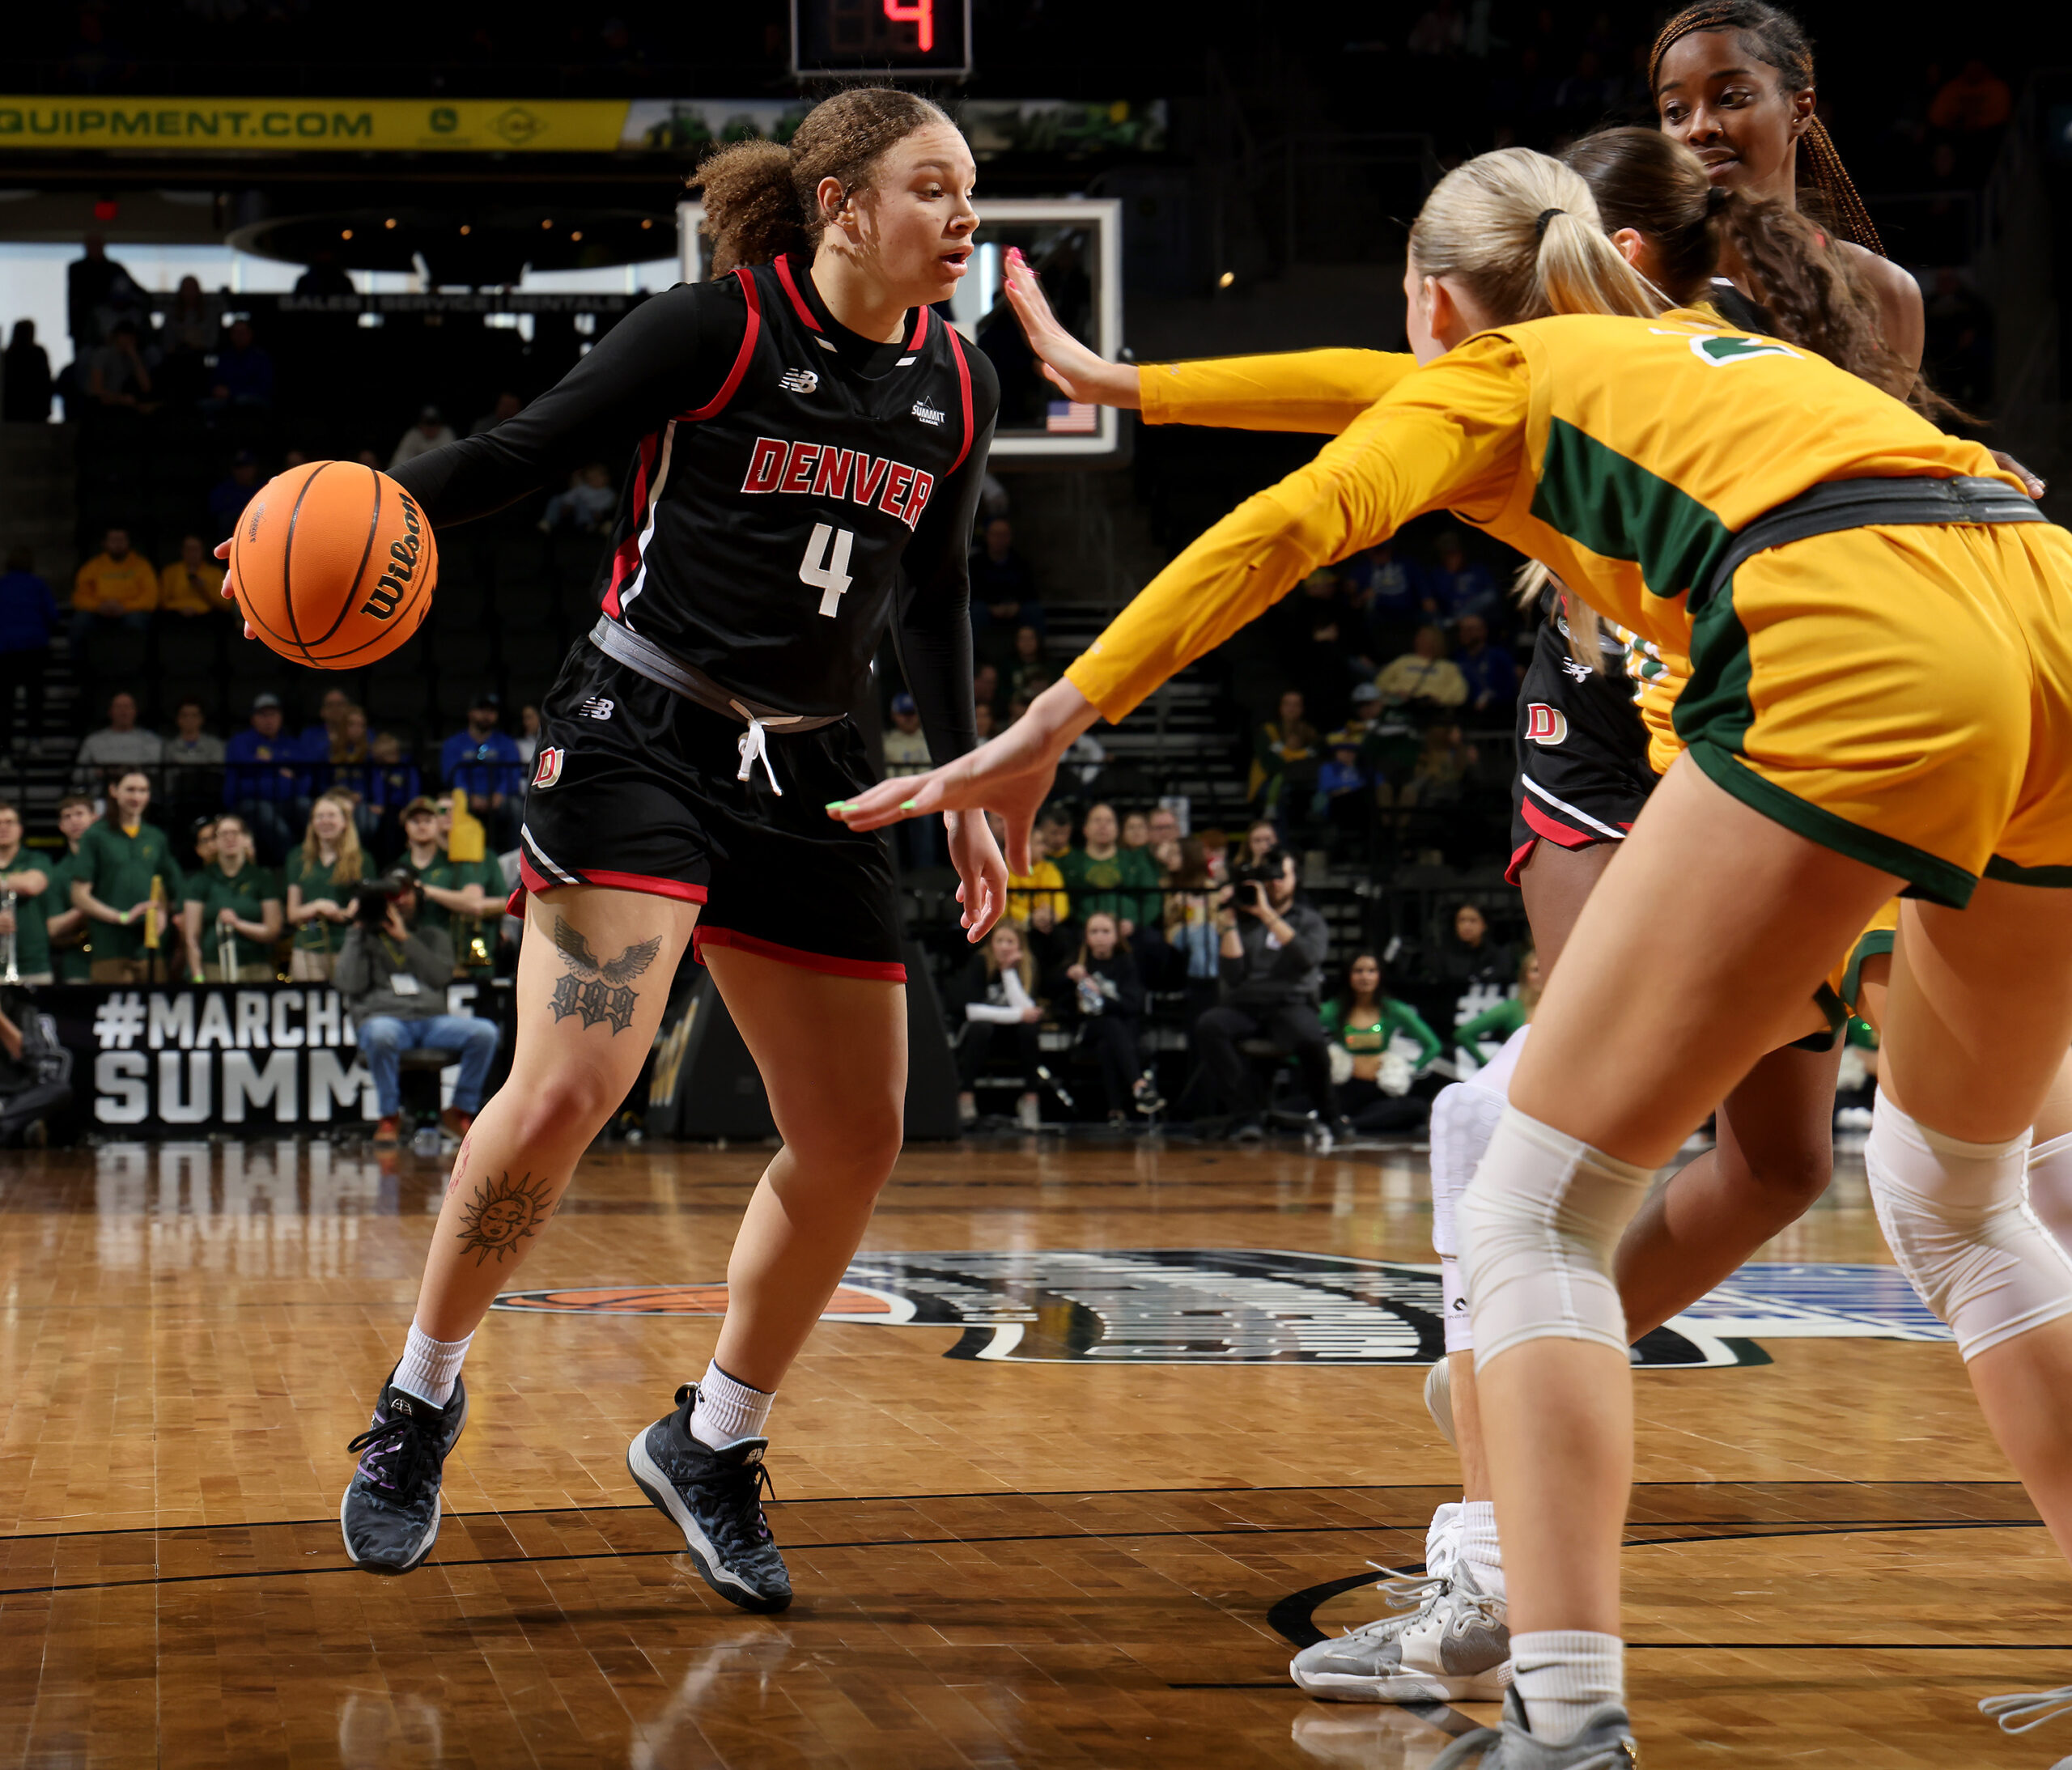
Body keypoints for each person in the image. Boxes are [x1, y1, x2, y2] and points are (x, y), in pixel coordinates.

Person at [843, 144, 2072, 1765]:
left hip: (1861, 645)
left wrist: (1043, 725)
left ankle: (1560, 1714)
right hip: (2040, 604)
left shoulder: (1489, 377)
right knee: (1957, 1194)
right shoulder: (1668, 348)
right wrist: (1114, 376)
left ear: (1433, 300)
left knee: (1534, 1199)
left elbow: (1283, 523)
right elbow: (1335, 389)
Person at [332, 88, 1003, 1622]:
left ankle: (712, 1442)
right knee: (573, 1081)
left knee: (856, 1140)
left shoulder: (956, 386)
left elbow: (941, 590)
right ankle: (423, 1396)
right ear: (843, 206)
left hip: (821, 770)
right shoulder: (716, 328)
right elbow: (521, 450)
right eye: (935, 188)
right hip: (643, 729)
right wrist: (358, 504)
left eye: (973, 191)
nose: (967, 217)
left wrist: (965, 778)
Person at [336, 872, 497, 1147]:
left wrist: (405, 939)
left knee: (485, 1033)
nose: (398, 902)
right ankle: (389, 1115)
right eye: (390, 896)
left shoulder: (434, 936)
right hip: (387, 1021)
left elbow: (440, 976)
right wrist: (357, 929)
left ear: (417, 896)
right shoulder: (363, 937)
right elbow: (347, 983)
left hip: (431, 1022)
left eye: (405, 893)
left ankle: (459, 1109)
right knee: (379, 1034)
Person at [1191, 847, 1338, 1140]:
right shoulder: (1244, 919)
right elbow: (1232, 975)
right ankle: (1246, 1115)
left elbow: (1306, 958)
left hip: (1291, 1002)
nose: (1276, 883)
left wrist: (1267, 914)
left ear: (1295, 878)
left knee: (1311, 1039)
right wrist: (1229, 923)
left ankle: (1330, 1115)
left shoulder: (1308, 920)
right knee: (1209, 1026)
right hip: (1245, 1004)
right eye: (1269, 877)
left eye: (1282, 876)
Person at [70, 770, 180, 984]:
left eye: (143, 790)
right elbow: (79, 895)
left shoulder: (156, 837)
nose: (137, 797)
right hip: (110, 946)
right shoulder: (96, 835)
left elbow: (165, 885)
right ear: (114, 791)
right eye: (130, 789)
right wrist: (120, 917)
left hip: (149, 946)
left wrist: (162, 914)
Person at [1322, 953, 1445, 1135]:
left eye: (1371, 971)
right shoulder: (1333, 1010)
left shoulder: (1393, 1010)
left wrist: (1410, 1069)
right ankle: (1342, 1120)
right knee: (1301, 1105)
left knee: (1416, 1108)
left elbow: (1433, 1046)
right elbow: (1304, 1041)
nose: (1365, 977)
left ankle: (1350, 1123)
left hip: (1380, 1089)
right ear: (1348, 975)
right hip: (1346, 1088)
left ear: (1379, 975)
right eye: (1358, 971)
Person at [952, 919, 1044, 1130]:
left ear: (1020, 945)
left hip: (1014, 1037)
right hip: (984, 1036)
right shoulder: (980, 962)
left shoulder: (1028, 965)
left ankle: (1030, 1100)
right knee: (981, 1027)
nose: (1004, 946)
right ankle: (966, 1096)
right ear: (991, 943)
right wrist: (1019, 1014)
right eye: (999, 941)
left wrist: (1008, 972)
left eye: (1010, 941)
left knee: (1029, 1030)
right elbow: (972, 1011)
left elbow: (1027, 1011)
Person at [1054, 910, 1144, 1124]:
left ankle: (1115, 1111)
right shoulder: (1078, 962)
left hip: (1120, 1033)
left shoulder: (1126, 963)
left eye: (1106, 931)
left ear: (1116, 936)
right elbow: (1051, 989)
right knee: (1108, 1023)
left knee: (1107, 1045)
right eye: (1094, 931)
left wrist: (1101, 999)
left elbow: (1133, 1004)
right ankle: (1139, 1085)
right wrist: (1068, 977)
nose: (1100, 937)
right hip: (1087, 1030)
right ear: (1086, 936)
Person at [180, 812, 281, 983]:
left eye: (235, 833)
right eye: (223, 834)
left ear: (246, 839)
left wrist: (238, 924)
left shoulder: (262, 879)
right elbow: (192, 937)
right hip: (213, 968)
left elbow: (273, 930)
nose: (229, 839)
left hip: (256, 968)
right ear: (216, 842)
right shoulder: (200, 881)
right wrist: (198, 976)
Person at [287, 791, 363, 982]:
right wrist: (316, 906)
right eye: (319, 816)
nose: (325, 821)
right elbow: (292, 913)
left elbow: (357, 911)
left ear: (345, 822)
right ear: (312, 823)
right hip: (307, 947)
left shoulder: (362, 859)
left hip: (347, 947)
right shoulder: (297, 858)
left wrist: (337, 914)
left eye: (331, 816)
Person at [223, 693, 308, 865]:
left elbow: (304, 779)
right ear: (253, 718)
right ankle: (290, 870)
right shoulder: (240, 742)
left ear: (281, 718)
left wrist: (267, 765)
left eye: (273, 715)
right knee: (276, 826)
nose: (268, 720)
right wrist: (281, 772)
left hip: (285, 801)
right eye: (263, 715)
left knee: (307, 807)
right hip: (249, 802)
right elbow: (242, 783)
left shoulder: (292, 744)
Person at [439, 694, 523, 854]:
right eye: (481, 710)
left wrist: (500, 794)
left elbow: (512, 775)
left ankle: (518, 858)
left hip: (499, 799)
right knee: (450, 806)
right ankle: (454, 857)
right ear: (470, 713)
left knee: (517, 807)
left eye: (491, 711)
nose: (486, 715)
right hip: (466, 798)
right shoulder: (453, 743)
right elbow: (450, 776)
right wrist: (468, 795)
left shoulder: (506, 743)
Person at [0, 547, 56, 753]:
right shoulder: (38, 585)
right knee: (35, 697)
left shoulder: (2, 585)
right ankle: (35, 740)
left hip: (5, 651)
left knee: (6, 702)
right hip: (34, 649)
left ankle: (5, 750)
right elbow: (52, 615)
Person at [70, 528, 157, 659]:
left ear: (128, 542)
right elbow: (79, 597)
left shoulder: (142, 566)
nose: (118, 544)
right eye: (113, 540)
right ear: (104, 544)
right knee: (79, 623)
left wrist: (124, 607)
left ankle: (138, 667)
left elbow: (151, 598)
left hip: (130, 611)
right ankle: (81, 670)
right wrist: (99, 606)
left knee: (138, 622)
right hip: (99, 611)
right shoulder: (92, 566)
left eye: (121, 540)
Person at [1454, 949, 1543, 1068]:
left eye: (1546, 969)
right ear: (1524, 975)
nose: (1541, 975)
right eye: (1535, 970)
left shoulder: (1559, 1009)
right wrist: (1487, 1064)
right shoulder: (1513, 1009)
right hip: (1520, 1077)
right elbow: (1463, 1034)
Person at [0, 803, 57, 986]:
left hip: (35, 967)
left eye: (9, 822)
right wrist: (14, 881)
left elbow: (32, 885)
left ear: (20, 829)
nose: (3, 827)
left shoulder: (38, 859)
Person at [43, 797, 95, 983]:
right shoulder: (58, 873)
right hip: (78, 962)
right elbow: (52, 928)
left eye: (80, 814)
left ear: (94, 818)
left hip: (119, 955)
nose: (74, 820)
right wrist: (86, 906)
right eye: (67, 816)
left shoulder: (113, 862)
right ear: (61, 826)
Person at [73, 692, 162, 796]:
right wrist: (98, 772)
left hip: (141, 795)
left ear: (135, 711)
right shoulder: (93, 741)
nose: (123, 711)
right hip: (102, 794)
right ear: (110, 712)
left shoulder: (152, 741)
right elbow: (77, 775)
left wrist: (133, 771)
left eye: (128, 707)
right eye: (119, 707)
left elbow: (158, 772)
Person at [1375, 625, 1468, 710]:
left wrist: (1439, 699)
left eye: (1425, 637)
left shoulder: (1448, 667)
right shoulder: (1403, 661)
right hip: (1401, 705)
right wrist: (1395, 692)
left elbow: (1459, 692)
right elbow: (1380, 683)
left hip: (1432, 709)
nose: (1419, 640)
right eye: (1419, 637)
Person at [1452, 613, 1518, 713]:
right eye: (1462, 630)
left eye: (1470, 630)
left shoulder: (1499, 656)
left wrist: (1491, 700)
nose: (1464, 633)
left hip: (1498, 714)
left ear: (1483, 631)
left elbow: (1510, 689)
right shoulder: (1457, 658)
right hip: (1465, 714)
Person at [206, 319, 274, 410]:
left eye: (242, 332)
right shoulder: (225, 357)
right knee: (206, 404)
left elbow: (265, 387)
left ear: (250, 334)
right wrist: (216, 389)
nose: (239, 336)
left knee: (242, 400)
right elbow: (215, 380)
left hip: (254, 399)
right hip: (226, 400)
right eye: (235, 333)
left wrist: (232, 391)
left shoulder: (260, 357)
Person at [158, 535, 228, 618]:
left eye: (196, 549)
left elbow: (226, 605)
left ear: (203, 551)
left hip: (207, 618)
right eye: (188, 549)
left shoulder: (216, 573)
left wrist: (205, 590)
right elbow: (161, 602)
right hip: (175, 617)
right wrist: (180, 608)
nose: (192, 553)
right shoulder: (170, 572)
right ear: (182, 551)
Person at [2, 320, 52, 423]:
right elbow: (45, 381)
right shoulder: (38, 353)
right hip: (34, 410)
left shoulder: (8, 355)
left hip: (13, 410)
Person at [208, 453, 264, 536]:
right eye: (239, 467)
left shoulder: (263, 488)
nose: (243, 471)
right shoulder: (222, 491)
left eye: (247, 466)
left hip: (259, 532)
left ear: (255, 468)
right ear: (233, 469)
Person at [388, 405, 455, 472]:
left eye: (433, 423)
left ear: (440, 424)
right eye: (427, 423)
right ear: (420, 424)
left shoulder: (446, 434)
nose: (430, 428)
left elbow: (449, 464)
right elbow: (397, 463)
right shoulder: (413, 435)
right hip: (415, 477)